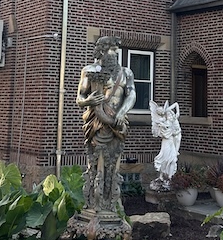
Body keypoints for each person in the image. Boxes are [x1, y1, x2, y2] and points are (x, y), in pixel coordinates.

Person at [76, 36, 136, 211]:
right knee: (97, 161)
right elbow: (79, 98)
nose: (116, 54)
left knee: (114, 159)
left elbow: (131, 94)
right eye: (112, 50)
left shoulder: (126, 73)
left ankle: (111, 203)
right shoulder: (89, 71)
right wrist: (88, 101)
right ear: (101, 50)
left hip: (117, 124)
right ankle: (95, 203)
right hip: (97, 124)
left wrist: (122, 112)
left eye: (117, 50)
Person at [149, 100, 181, 188]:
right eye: (169, 115)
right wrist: (164, 127)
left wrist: (170, 110)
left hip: (172, 143)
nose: (171, 116)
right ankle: (161, 177)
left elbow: (176, 104)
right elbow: (162, 134)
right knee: (164, 159)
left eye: (171, 114)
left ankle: (170, 178)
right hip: (166, 143)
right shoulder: (163, 123)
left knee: (173, 160)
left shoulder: (173, 122)